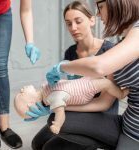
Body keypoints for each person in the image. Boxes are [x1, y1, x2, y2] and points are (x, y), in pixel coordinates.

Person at [44, 0, 139, 150]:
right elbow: (98, 99)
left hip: (131, 131)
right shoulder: (121, 43)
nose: (98, 13)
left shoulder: (116, 46)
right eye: (69, 23)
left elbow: (98, 66)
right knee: (52, 125)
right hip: (127, 123)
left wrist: (62, 66)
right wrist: (56, 105)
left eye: (100, 7)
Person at [0, 0, 40, 149]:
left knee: (0, 66)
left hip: (1, 13)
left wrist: (30, 42)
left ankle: (5, 127)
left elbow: (26, 10)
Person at [14, 77, 128, 134]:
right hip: (84, 90)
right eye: (21, 93)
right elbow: (61, 113)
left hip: (81, 81)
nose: (21, 89)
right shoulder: (52, 99)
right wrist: (57, 125)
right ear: (30, 104)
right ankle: (121, 94)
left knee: (101, 77)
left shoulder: (45, 89)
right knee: (106, 83)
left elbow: (62, 82)